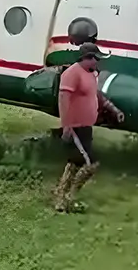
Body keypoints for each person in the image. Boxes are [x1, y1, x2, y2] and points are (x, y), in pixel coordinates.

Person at [52, 43, 125, 213]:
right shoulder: (71, 74)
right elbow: (63, 99)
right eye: (95, 59)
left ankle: (60, 198)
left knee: (74, 162)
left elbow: (96, 94)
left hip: (86, 126)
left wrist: (114, 109)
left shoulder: (92, 74)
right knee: (91, 163)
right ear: (87, 58)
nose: (97, 62)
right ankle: (70, 196)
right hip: (75, 125)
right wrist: (66, 124)